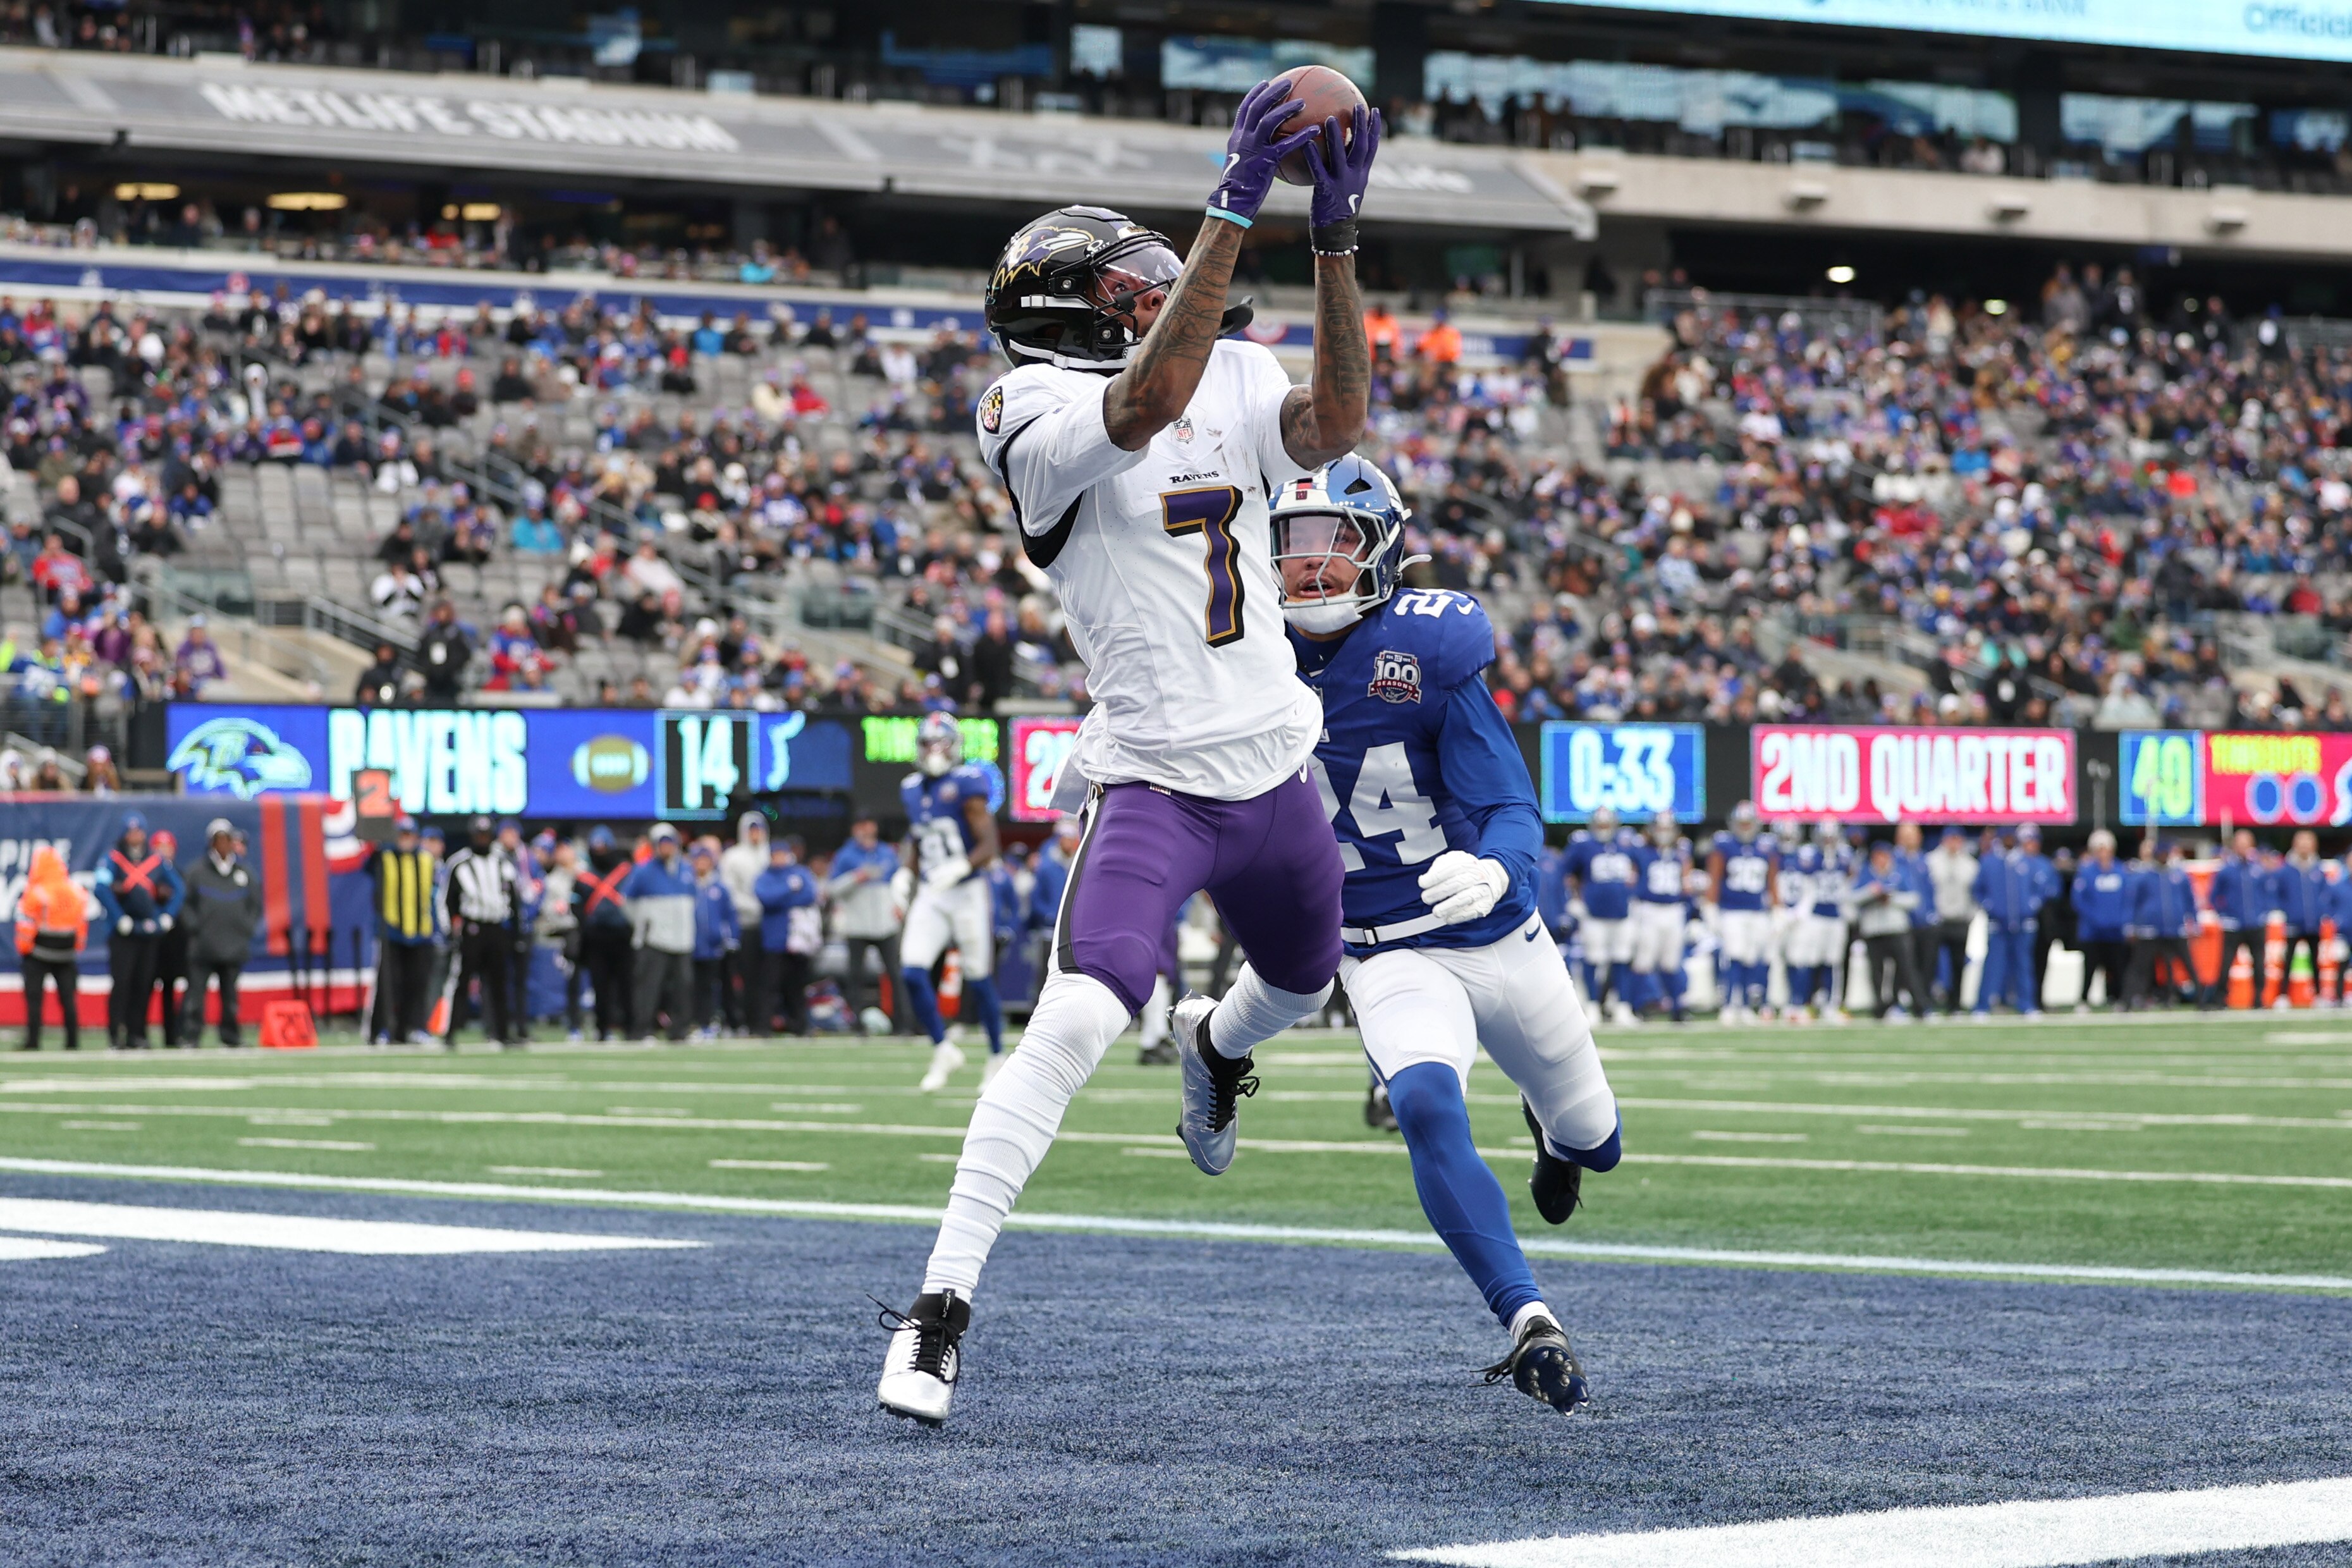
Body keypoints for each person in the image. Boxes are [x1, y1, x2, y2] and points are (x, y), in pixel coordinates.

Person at [878, 80, 1379, 1428]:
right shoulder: (1025, 410)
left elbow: (1339, 423)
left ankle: (1220, 1054)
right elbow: (1147, 400)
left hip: (1274, 764)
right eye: (1127, 282)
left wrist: (1335, 237)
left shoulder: (1236, 367)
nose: (1158, 291)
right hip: (1156, 775)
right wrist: (1238, 200)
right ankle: (940, 1307)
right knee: (1081, 1017)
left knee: (1304, 976)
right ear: (1072, 306)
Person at [1277, 454, 1617, 1413]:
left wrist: (1500, 867)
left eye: (1331, 545)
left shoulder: (1428, 649)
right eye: (1292, 547)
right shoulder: (1249, 655)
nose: (1309, 569)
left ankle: (1556, 1138)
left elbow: (1512, 802)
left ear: (1380, 548)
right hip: (1385, 946)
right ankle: (1528, 1319)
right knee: (1425, 1104)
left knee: (1600, 1141)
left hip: (1495, 930)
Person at [899, 712, 1005, 1090]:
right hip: (933, 891)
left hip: (967, 890)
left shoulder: (967, 782)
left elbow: (989, 845)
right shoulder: (912, 787)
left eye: (941, 742)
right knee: (912, 969)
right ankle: (943, 1048)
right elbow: (919, 838)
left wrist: (961, 866)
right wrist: (906, 872)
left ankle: (996, 1056)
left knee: (977, 977)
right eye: (928, 743)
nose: (934, 750)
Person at [94, 809, 183, 1050]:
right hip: (122, 933)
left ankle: (137, 1033)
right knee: (122, 983)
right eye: (131, 832)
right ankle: (115, 1034)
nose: (135, 836)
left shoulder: (155, 860)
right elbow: (101, 888)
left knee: (144, 984)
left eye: (139, 831)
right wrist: (119, 917)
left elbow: (178, 889)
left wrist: (166, 917)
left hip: (149, 931)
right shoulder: (112, 859)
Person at [181, 819, 262, 1047]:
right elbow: (186, 905)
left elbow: (255, 905)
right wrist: (196, 927)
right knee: (196, 995)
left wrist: (245, 928)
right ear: (211, 843)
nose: (224, 845)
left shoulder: (244, 873)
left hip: (234, 944)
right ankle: (192, 1036)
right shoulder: (197, 872)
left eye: (228, 840)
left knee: (231, 997)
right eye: (219, 840)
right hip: (204, 945)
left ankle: (231, 1036)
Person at [441, 815, 518, 1048]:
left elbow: (514, 899)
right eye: (479, 835)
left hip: (496, 927)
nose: (483, 840)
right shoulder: (460, 863)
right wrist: (452, 932)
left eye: (486, 835)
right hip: (472, 928)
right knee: (462, 982)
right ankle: (451, 1033)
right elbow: (448, 902)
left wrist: (515, 932)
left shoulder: (503, 862)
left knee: (498, 983)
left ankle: (502, 1033)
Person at [825, 814, 902, 1032]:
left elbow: (900, 883)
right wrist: (855, 878)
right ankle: (856, 1024)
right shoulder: (846, 856)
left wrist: (899, 904)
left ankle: (903, 1022)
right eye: (862, 826)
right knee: (855, 976)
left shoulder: (887, 853)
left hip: (885, 924)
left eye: (870, 825)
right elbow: (832, 889)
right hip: (858, 925)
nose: (866, 830)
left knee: (895, 974)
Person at [1561, 807, 1639, 1024]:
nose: (1604, 829)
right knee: (1593, 960)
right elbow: (1565, 872)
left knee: (1622, 960)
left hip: (1622, 913)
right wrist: (1574, 899)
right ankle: (1593, 1006)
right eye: (1600, 825)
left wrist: (1634, 896)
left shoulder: (1627, 844)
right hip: (1594, 914)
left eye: (1607, 825)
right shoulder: (1584, 846)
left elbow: (1643, 869)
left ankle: (1623, 1007)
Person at [369, 814, 440, 1045]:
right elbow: (368, 869)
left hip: (421, 931)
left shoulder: (427, 861)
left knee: (418, 984)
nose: (406, 840)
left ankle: (412, 1028)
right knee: (388, 984)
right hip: (392, 931)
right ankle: (381, 1029)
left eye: (410, 835)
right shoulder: (386, 856)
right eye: (402, 835)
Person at [1706, 801, 1777, 1025]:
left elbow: (1772, 881)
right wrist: (1710, 906)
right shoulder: (1724, 844)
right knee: (1734, 955)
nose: (1745, 828)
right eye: (1742, 823)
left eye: (1749, 823)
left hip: (1757, 910)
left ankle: (1746, 1005)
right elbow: (1715, 878)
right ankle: (1729, 1004)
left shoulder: (1766, 846)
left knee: (1751, 957)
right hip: (1732, 910)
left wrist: (1777, 908)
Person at [624, 823, 697, 1042]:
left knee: (683, 986)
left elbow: (691, 902)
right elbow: (627, 902)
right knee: (649, 986)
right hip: (654, 939)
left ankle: (680, 1030)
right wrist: (644, 924)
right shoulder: (643, 871)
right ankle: (644, 1029)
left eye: (670, 844)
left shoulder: (685, 869)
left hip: (682, 939)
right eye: (662, 844)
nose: (667, 849)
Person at [15, 843, 87, 1051]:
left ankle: (33, 1041)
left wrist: (25, 949)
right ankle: (73, 1041)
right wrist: (77, 946)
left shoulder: (36, 893)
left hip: (39, 953)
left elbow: (26, 925)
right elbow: (81, 924)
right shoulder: (75, 891)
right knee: (68, 999)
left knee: (35, 999)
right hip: (66, 954)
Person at [1972, 827, 2050, 1018]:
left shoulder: (2026, 861)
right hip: (1998, 924)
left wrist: (2032, 905)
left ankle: (2027, 1004)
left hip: (2024, 924)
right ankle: (1983, 1005)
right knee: (1993, 966)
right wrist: (1989, 905)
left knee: (2024, 966)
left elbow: (2041, 888)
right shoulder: (1989, 861)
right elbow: (1977, 889)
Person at [572, 826, 635, 1041]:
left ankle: (630, 1026)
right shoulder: (584, 877)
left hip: (623, 935)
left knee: (626, 983)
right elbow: (577, 907)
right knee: (600, 985)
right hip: (596, 937)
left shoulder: (626, 872)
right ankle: (603, 1028)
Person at [1852, 840, 1925, 1019]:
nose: (1881, 860)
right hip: (1873, 930)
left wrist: (1891, 898)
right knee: (1876, 973)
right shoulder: (1866, 873)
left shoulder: (1900, 873)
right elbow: (1852, 897)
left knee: (1906, 969)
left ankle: (1919, 1006)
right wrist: (1871, 893)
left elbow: (1914, 899)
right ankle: (1880, 1007)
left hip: (1896, 929)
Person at [2125, 839, 2200, 1011]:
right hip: (2150, 930)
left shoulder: (2179, 875)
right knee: (2139, 967)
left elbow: (2190, 901)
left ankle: (2200, 1000)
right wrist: (2131, 924)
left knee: (2184, 965)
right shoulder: (2144, 876)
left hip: (2175, 929)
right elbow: (2133, 902)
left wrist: (2193, 922)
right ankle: (2128, 1001)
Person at [754, 836, 819, 1034]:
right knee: (769, 987)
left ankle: (799, 1026)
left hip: (798, 941)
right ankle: (764, 1027)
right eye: (776, 855)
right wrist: (789, 889)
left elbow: (809, 895)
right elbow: (767, 898)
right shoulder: (765, 877)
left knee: (797, 987)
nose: (780, 859)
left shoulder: (800, 873)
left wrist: (784, 897)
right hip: (774, 940)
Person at [1630, 812, 1691, 1023]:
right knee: (1644, 960)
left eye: (1668, 829)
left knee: (1672, 962)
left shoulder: (1681, 853)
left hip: (1674, 909)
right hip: (1649, 908)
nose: (1664, 834)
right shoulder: (1641, 852)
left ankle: (1677, 1007)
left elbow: (1686, 883)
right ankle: (1638, 1006)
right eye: (1661, 829)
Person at [2205, 829, 2270, 1010]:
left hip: (2256, 924)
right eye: (2240, 844)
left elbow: (2267, 894)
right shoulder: (2227, 870)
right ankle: (2220, 999)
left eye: (2246, 844)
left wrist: (2262, 912)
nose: (2243, 848)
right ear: (2234, 846)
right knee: (2226, 963)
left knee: (2259, 964)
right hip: (2233, 925)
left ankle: (2259, 1000)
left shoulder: (2258, 869)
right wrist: (2224, 914)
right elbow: (2213, 897)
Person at [718, 812, 770, 1034]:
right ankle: (745, 1021)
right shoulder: (733, 857)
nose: (756, 834)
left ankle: (766, 1021)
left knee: (769, 978)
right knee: (746, 976)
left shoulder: (772, 854)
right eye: (752, 829)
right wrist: (755, 906)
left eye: (759, 829)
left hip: (771, 926)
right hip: (744, 924)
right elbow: (729, 892)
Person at [2071, 831, 2133, 1011]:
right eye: (2099, 849)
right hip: (2093, 930)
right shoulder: (2086, 872)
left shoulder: (2121, 871)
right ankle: (2083, 999)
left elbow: (2128, 899)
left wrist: (2123, 920)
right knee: (2090, 967)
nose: (2103, 853)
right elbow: (2079, 900)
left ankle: (2118, 998)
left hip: (2116, 930)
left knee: (2117, 967)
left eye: (2106, 848)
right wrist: (2095, 918)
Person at [2270, 830, 2329, 1010]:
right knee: (2288, 960)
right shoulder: (2286, 870)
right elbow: (2277, 894)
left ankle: (2319, 995)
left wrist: (2322, 912)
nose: (2305, 846)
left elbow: (2325, 895)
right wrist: (2285, 912)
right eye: (2302, 842)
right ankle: (2283, 995)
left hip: (2313, 922)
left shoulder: (2318, 870)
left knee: (2316, 960)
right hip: (2293, 922)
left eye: (2308, 842)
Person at [688, 842, 740, 1038]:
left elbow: (730, 915)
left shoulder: (720, 888)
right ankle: (696, 1023)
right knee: (692, 987)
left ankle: (713, 1022)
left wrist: (732, 937)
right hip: (692, 946)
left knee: (714, 987)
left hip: (714, 947)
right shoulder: (688, 885)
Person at [1925, 826, 1979, 1014]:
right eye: (1950, 839)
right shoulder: (1931, 861)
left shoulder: (1970, 864)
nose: (1954, 843)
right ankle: (1927, 1003)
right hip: (1938, 920)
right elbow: (1926, 889)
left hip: (1960, 919)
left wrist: (1971, 915)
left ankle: (1955, 1004)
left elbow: (1975, 893)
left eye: (1957, 839)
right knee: (1929, 963)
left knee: (1958, 964)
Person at [150, 828, 189, 1046]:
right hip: (152, 941)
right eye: (159, 848)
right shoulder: (147, 875)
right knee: (145, 987)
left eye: (167, 848)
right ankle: (138, 1035)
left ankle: (173, 1035)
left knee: (174, 989)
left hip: (175, 941)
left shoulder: (181, 876)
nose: (164, 852)